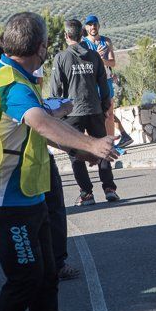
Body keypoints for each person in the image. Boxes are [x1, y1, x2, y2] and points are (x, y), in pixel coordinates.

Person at [0, 12, 118, 311]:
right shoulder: (14, 86)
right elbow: (39, 120)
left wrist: (79, 152)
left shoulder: (5, 74)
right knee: (25, 276)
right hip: (4, 197)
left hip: (29, 190)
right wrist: (91, 143)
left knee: (46, 273)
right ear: (41, 47)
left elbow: (35, 131)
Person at [50, 19, 119, 205]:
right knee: (103, 148)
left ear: (66, 36)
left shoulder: (61, 58)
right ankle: (109, 188)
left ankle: (86, 193)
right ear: (82, 35)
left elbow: (55, 90)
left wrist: (57, 115)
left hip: (72, 113)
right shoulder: (94, 56)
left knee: (75, 153)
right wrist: (105, 107)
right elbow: (103, 84)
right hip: (94, 109)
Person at [81, 15, 134, 150]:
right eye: (90, 24)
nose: (93, 27)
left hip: (106, 80)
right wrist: (95, 56)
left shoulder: (107, 41)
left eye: (95, 24)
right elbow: (84, 64)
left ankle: (111, 146)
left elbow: (113, 62)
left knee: (109, 114)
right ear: (86, 27)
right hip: (92, 82)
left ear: (98, 26)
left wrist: (100, 59)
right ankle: (96, 146)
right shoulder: (83, 44)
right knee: (94, 115)